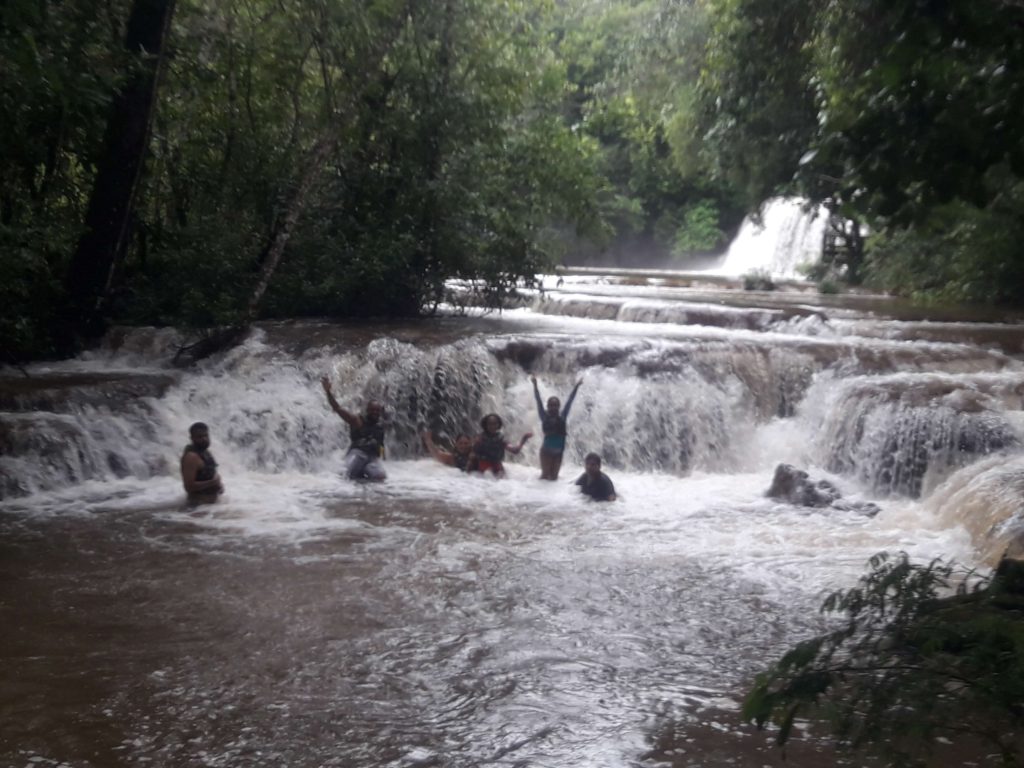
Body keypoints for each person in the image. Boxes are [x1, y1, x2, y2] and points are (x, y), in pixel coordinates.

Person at [321, 375, 387, 481]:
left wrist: (382, 458)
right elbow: (337, 408)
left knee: (380, 476)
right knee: (344, 474)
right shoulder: (357, 421)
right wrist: (328, 392)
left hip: (372, 459)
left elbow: (381, 446)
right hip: (357, 454)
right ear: (367, 410)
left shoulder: (380, 426)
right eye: (373, 410)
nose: (375, 413)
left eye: (377, 411)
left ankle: (370, 494)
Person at [531, 374, 583, 481]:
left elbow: (570, 401)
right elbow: (538, 400)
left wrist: (577, 386)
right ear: (548, 406)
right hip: (546, 451)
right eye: (551, 405)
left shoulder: (563, 417)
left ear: (558, 407)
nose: (553, 407)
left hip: (559, 452)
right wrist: (535, 385)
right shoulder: (544, 416)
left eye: (555, 405)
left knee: (554, 479)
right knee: (545, 477)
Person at [181, 422, 224, 504]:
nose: (204, 439)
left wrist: (219, 484)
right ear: (192, 438)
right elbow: (189, 487)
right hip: (197, 507)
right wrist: (213, 482)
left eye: (206, 436)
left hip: (211, 508)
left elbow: (210, 472)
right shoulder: (191, 457)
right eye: (200, 437)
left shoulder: (205, 452)